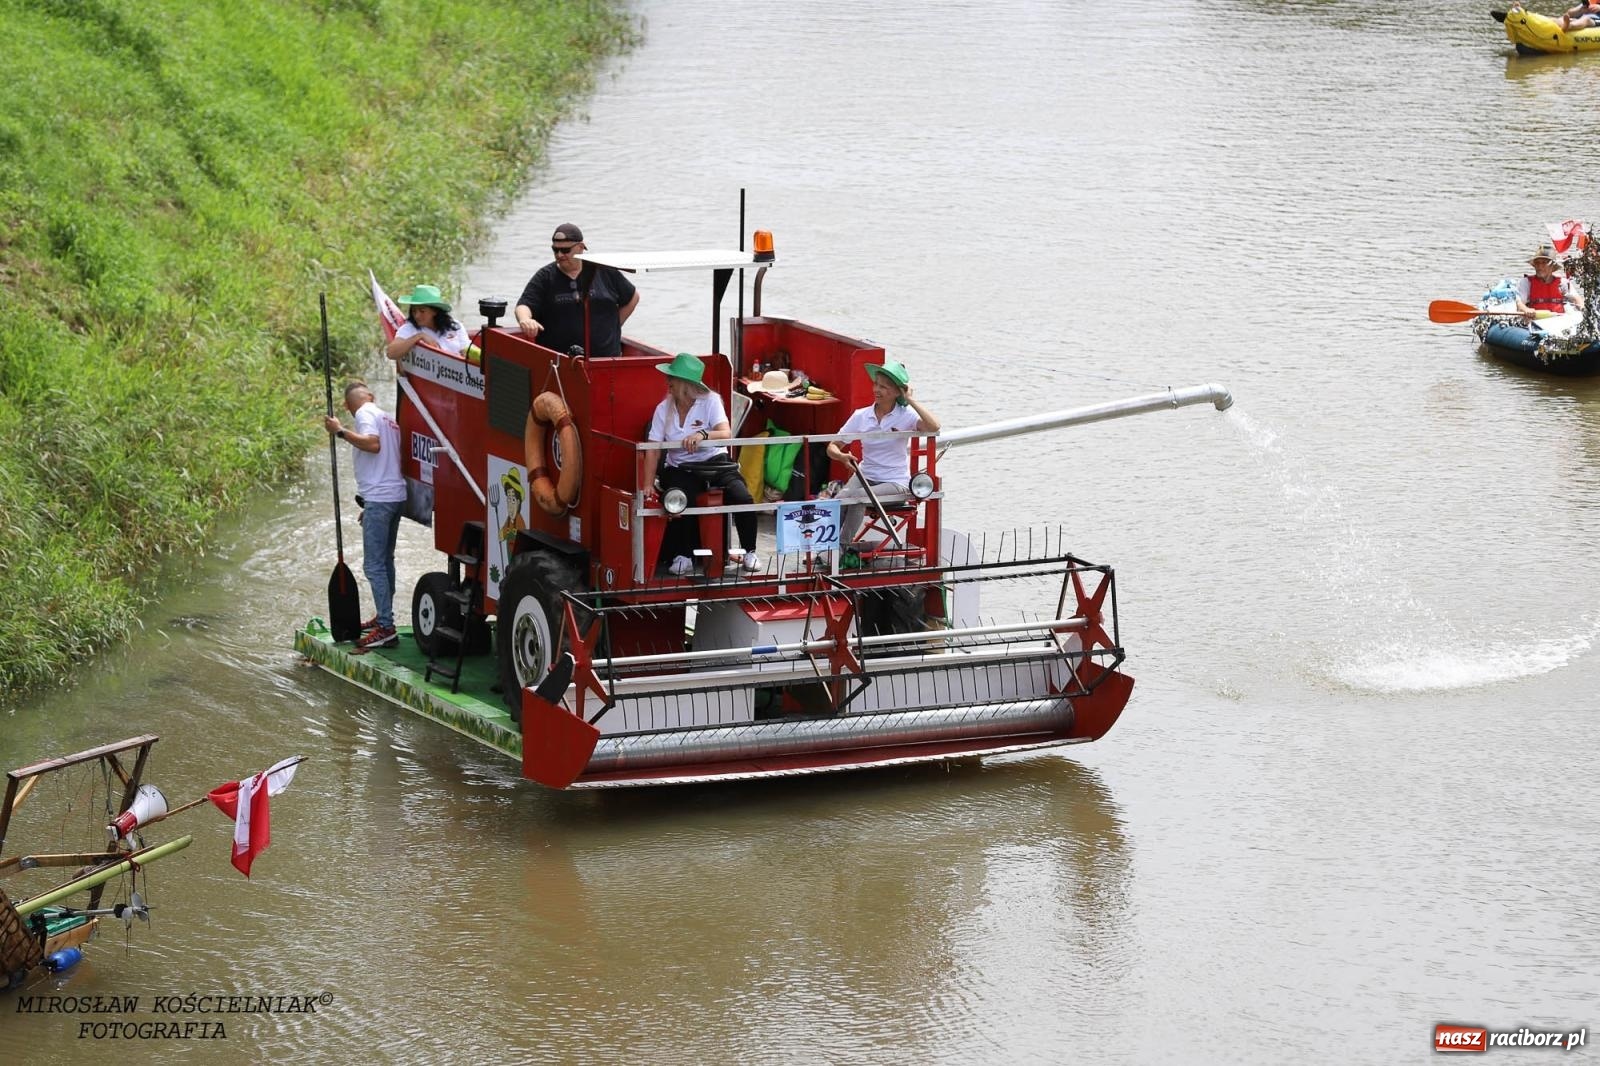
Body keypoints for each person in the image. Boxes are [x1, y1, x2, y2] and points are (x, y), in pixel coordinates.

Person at [641, 352, 763, 575]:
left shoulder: (711, 401)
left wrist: (703, 435)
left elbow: (725, 432)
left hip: (715, 461)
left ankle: (750, 551)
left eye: (672, 378)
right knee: (678, 498)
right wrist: (647, 484)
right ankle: (683, 554)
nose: (667, 382)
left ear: (686, 384)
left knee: (742, 496)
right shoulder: (663, 409)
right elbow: (652, 449)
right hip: (680, 466)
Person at [324, 382, 406, 651]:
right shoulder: (388, 418)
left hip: (381, 499)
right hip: (393, 497)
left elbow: (373, 445)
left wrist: (340, 431)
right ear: (371, 395)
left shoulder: (363, 415)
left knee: (373, 566)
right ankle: (384, 619)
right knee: (385, 561)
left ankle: (386, 627)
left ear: (347, 406)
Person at [826, 361, 940, 548]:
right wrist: (841, 456)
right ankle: (824, 547)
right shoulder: (861, 416)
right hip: (865, 475)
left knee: (858, 497)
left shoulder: (907, 415)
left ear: (898, 392)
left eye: (884, 387)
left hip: (896, 482)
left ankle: (840, 550)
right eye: (876, 384)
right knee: (840, 499)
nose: (876, 390)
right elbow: (832, 446)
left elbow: (934, 426)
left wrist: (910, 399)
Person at [513, 223, 639, 357]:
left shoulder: (604, 270)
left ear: (580, 247)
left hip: (605, 359)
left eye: (565, 250)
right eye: (555, 250)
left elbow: (632, 298)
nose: (559, 255)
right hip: (560, 361)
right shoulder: (545, 276)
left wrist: (612, 328)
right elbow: (523, 305)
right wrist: (525, 319)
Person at [387, 284, 469, 361]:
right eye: (414, 311)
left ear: (435, 311)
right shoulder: (409, 329)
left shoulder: (455, 326)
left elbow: (466, 351)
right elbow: (391, 353)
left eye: (422, 311)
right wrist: (419, 336)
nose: (417, 316)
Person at [1514, 245, 1585, 321]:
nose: (1540, 267)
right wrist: (1526, 310)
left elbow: (1577, 299)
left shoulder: (1563, 283)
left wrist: (1582, 308)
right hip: (1534, 323)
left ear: (1552, 266)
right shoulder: (1526, 282)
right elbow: (1520, 304)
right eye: (1537, 263)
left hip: (1559, 322)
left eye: (1544, 263)